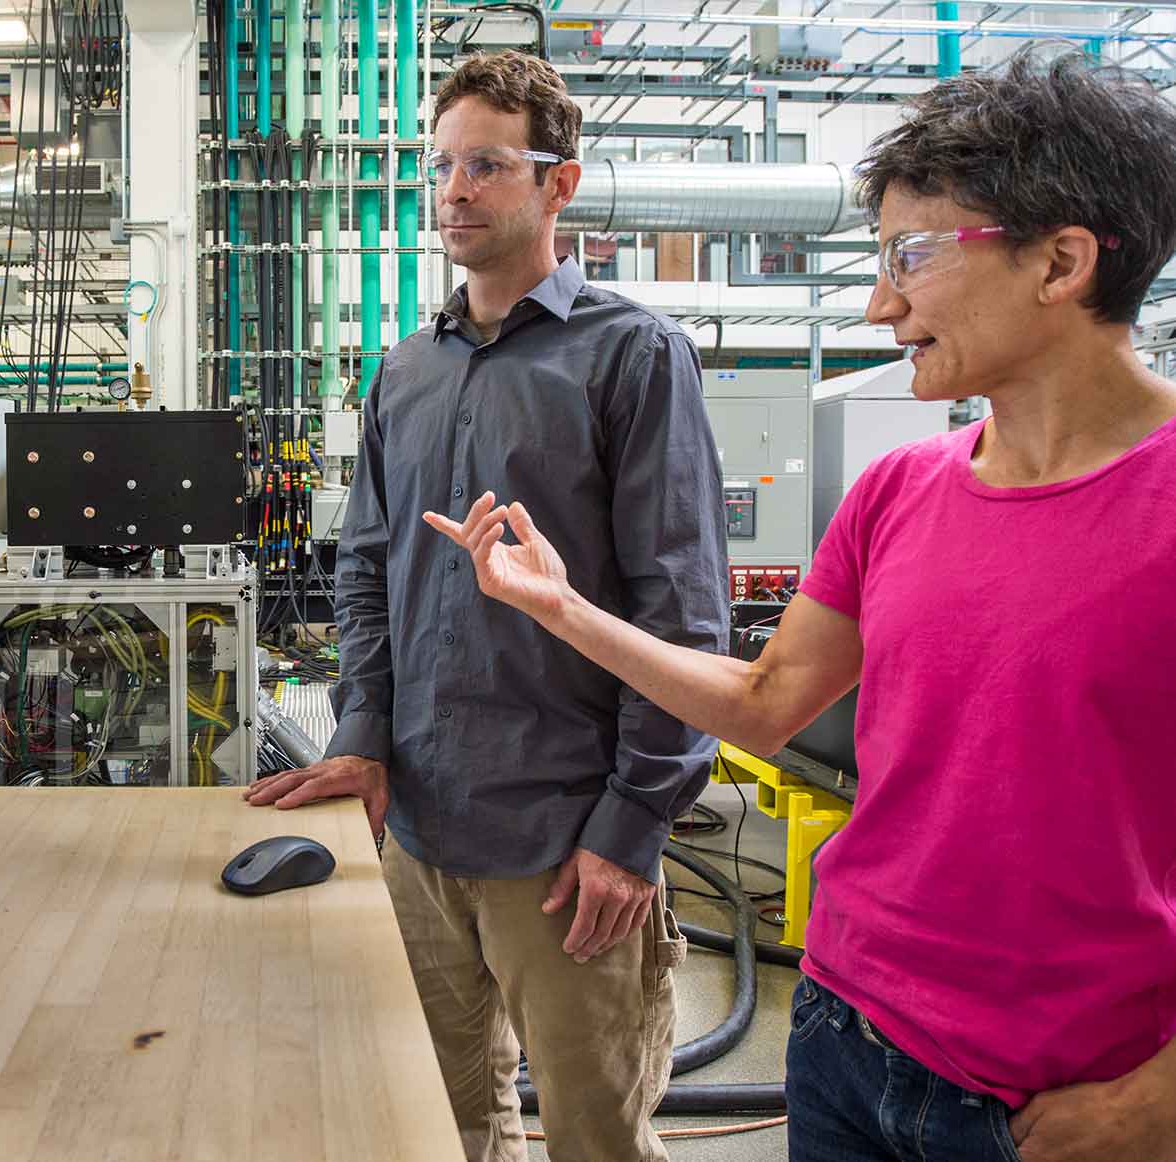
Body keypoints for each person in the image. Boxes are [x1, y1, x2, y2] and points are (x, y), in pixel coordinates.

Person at [424, 47, 1176, 1162]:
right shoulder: (899, 491)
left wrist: (1153, 1104)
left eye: (911, 257)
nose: (879, 304)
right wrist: (563, 608)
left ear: (1061, 261)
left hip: (1065, 1092)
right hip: (845, 1036)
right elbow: (767, 700)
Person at [244, 50, 729, 1162]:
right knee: (441, 1125)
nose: (454, 191)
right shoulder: (404, 371)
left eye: (486, 166)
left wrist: (632, 826)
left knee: (595, 1137)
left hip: (565, 849)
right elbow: (364, 568)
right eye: (441, 167)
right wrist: (362, 738)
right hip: (419, 832)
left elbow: (682, 613)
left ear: (558, 185)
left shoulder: (633, 356)